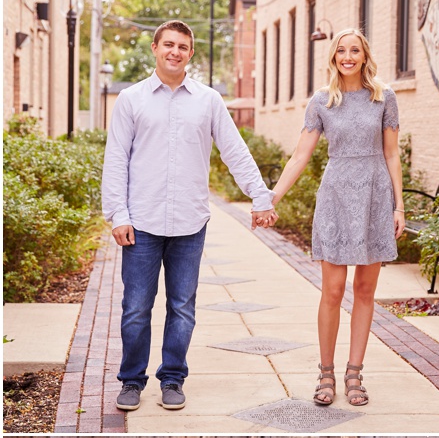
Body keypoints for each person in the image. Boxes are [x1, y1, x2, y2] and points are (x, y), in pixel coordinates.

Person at [101, 21, 277, 414]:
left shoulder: (209, 101)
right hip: (141, 222)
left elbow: (235, 150)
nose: (175, 52)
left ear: (190, 53)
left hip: (190, 223)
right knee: (136, 308)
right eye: (168, 44)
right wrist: (117, 214)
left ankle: (172, 378)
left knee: (182, 306)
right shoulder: (130, 100)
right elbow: (116, 160)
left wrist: (260, 197)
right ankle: (131, 380)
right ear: (154, 48)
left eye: (182, 46)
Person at [270, 29, 405, 410]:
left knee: (365, 291)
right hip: (336, 196)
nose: (348, 56)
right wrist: (272, 196)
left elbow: (392, 154)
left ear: (364, 56)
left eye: (355, 50)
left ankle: (354, 373)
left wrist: (399, 206)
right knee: (332, 291)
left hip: (375, 195)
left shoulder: (384, 97)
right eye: (341, 51)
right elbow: (300, 156)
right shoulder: (321, 101)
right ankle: (326, 372)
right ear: (333, 57)